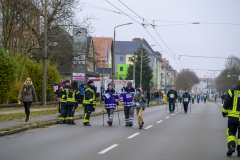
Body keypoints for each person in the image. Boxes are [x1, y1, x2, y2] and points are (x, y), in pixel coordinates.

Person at [222, 76, 240, 157]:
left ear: (238, 80)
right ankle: (239, 151)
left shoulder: (231, 90)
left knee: (231, 132)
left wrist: (224, 113)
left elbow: (227, 102)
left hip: (233, 117)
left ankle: (231, 146)